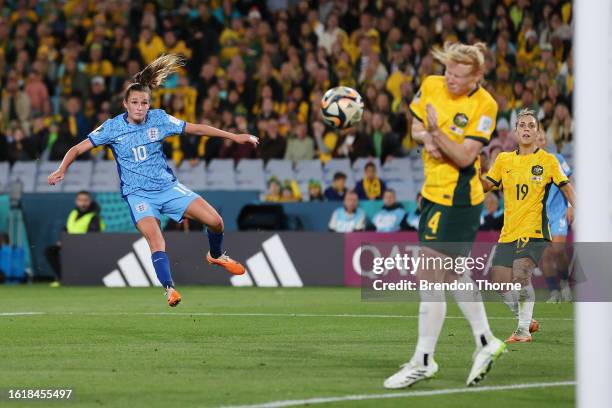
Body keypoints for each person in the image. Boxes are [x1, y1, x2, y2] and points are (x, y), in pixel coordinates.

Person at [48, 54, 259, 307]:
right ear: (125, 103)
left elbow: (198, 128)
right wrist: (62, 169)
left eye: (144, 102)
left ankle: (215, 255)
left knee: (216, 221)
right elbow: (77, 149)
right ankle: (170, 289)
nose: (140, 107)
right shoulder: (112, 128)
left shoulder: (159, 119)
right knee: (156, 239)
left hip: (168, 188)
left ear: (149, 104)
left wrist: (234, 137)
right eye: (135, 102)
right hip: (138, 195)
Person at [384, 42, 505, 390]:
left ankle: (423, 360)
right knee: (453, 274)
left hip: (459, 199)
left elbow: (466, 158)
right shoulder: (432, 85)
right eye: (449, 71)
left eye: (459, 75)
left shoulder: (485, 105)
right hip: (433, 193)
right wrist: (429, 136)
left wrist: (436, 134)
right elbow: (415, 131)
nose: (450, 79)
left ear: (477, 76)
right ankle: (485, 342)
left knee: (430, 276)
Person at [483, 109, 575, 343]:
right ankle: (526, 320)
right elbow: (485, 186)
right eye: (522, 125)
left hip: (535, 229)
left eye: (531, 126)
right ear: (515, 131)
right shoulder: (504, 160)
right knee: (499, 281)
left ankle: (523, 331)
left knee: (521, 273)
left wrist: (578, 208)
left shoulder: (548, 160)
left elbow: (566, 187)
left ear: (537, 132)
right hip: (509, 231)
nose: (526, 129)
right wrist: (471, 170)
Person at [536, 130, 573, 303]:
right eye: (538, 139)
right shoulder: (526, 164)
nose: (541, 141)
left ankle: (565, 284)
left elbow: (570, 182)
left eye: (543, 139)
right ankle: (554, 292)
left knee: (558, 250)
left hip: (558, 211)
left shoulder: (557, 159)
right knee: (546, 255)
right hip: (540, 216)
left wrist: (572, 205)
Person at [45, 191, 104, 287]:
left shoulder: (94, 217)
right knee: (50, 251)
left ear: (90, 201)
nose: (83, 203)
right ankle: (61, 278)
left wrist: (74, 242)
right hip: (70, 245)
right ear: (76, 201)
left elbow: (92, 236)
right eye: (80, 200)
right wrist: (62, 240)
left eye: (85, 200)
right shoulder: (74, 213)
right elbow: (67, 228)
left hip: (86, 248)